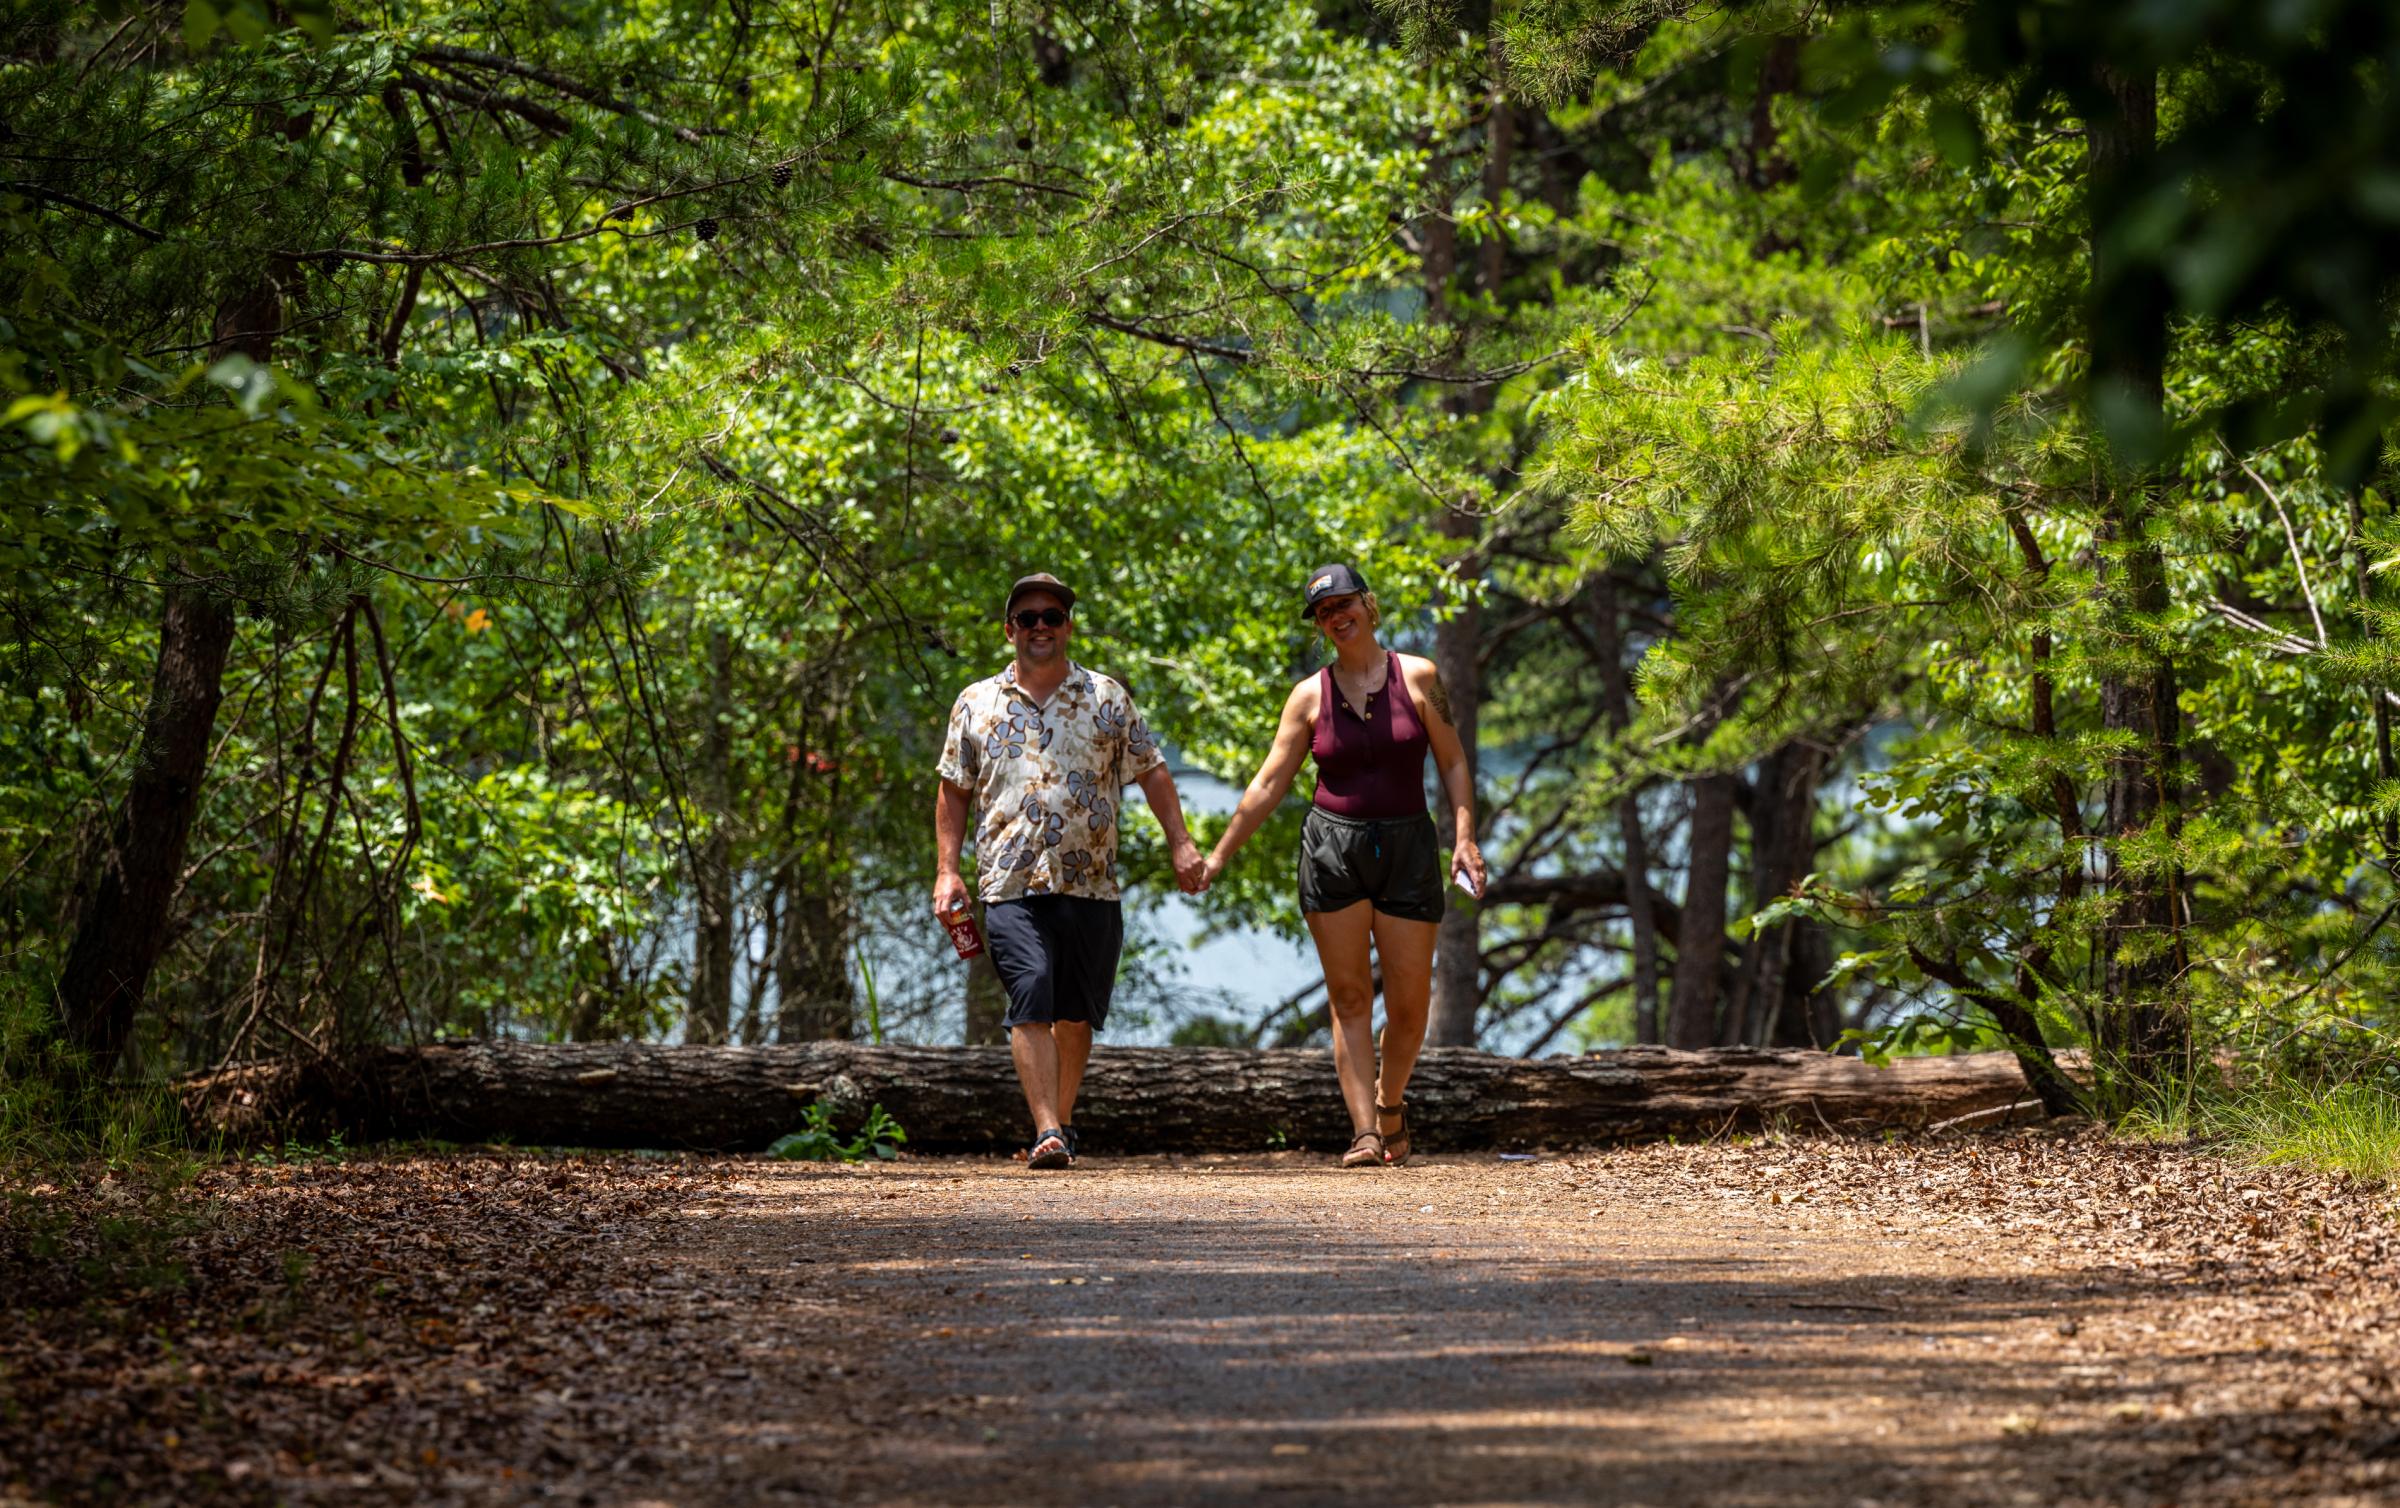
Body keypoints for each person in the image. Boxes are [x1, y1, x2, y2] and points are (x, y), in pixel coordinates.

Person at [1203, 564, 1485, 1167]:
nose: (1336, 616)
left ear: (1368, 603)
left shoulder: (1421, 677)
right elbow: (1268, 784)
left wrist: (1465, 839)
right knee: (1350, 998)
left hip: (1409, 847)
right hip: (1333, 848)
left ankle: (1389, 1103)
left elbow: (1455, 763)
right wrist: (1219, 855)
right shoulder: (1309, 696)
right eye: (1324, 611)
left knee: (1411, 1009)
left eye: (1343, 602)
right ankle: (1363, 1132)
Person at [933, 572, 1208, 1170]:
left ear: (1067, 627)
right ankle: (1047, 1127)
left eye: (1050, 617)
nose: (1039, 627)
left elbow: (1152, 770)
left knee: (1078, 1011)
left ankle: (1057, 1125)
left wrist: (1181, 844)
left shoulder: (1106, 697)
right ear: (1009, 630)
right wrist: (946, 872)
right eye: (1027, 618)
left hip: (1092, 880)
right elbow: (953, 790)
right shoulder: (976, 702)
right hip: (1010, 881)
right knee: (1030, 988)